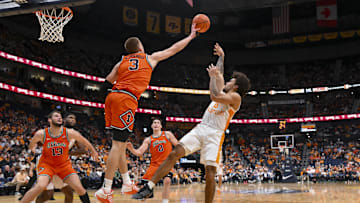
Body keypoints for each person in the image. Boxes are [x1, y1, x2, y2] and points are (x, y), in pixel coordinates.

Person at [132, 43, 251, 203]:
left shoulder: (236, 98)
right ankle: (149, 187)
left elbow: (215, 94)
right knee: (175, 153)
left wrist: (213, 78)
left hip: (215, 134)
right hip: (201, 128)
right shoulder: (225, 91)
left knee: (209, 172)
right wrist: (221, 58)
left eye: (231, 81)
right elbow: (219, 78)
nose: (228, 82)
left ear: (235, 86)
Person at [95, 23, 199, 203]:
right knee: (117, 145)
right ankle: (105, 189)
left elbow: (106, 83)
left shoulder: (121, 62)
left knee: (120, 142)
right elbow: (174, 49)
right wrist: (190, 36)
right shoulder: (149, 58)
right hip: (126, 99)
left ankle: (127, 182)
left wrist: (106, 104)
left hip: (112, 97)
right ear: (140, 47)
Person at [20, 110, 98, 203]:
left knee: (74, 190)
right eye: (70, 117)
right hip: (47, 164)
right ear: (50, 120)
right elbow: (33, 143)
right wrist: (33, 147)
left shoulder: (71, 133)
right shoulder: (43, 133)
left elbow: (84, 145)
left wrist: (93, 151)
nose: (59, 118)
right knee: (43, 190)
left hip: (63, 165)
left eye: (74, 118)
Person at [36, 113, 88, 203]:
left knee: (69, 193)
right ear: (64, 119)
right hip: (46, 162)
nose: (72, 120)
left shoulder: (74, 134)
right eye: (70, 117)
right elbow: (39, 142)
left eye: (74, 118)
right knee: (48, 194)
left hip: (61, 163)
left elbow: (83, 150)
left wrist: (67, 152)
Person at [126, 117, 178, 203]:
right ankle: (143, 199)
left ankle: (165, 201)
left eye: (158, 123)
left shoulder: (167, 134)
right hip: (154, 165)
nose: (156, 124)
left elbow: (178, 145)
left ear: (161, 126)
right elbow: (139, 152)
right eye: (154, 123)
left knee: (167, 180)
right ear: (151, 126)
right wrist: (131, 149)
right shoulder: (148, 139)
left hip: (166, 164)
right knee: (145, 186)